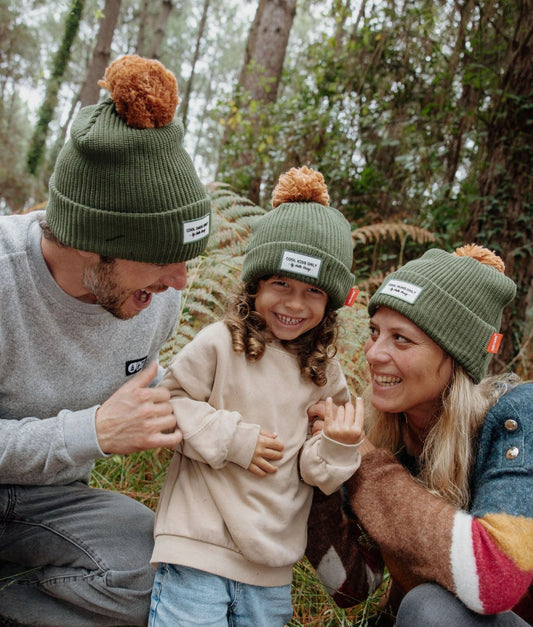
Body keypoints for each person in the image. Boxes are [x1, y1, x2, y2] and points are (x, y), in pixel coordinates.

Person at [0, 55, 211, 626]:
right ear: (92, 243)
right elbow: (101, 425)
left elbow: (149, 384)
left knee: (154, 571)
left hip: (47, 502)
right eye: (163, 260)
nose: (179, 281)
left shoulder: (153, 297)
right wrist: (91, 431)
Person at [148, 166, 365, 626]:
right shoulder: (219, 344)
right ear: (255, 285)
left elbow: (317, 470)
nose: (293, 303)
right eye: (280, 284)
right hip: (198, 547)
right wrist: (234, 441)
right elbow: (167, 405)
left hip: (272, 566)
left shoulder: (326, 375)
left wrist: (340, 446)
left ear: (329, 303)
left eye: (312, 292)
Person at [305, 244, 533, 626]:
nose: (374, 353)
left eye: (401, 339)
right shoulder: (390, 436)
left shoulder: (517, 416)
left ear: (455, 356)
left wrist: (363, 461)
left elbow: (495, 577)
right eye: (375, 332)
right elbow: (349, 586)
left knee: (429, 608)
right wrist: (319, 474)